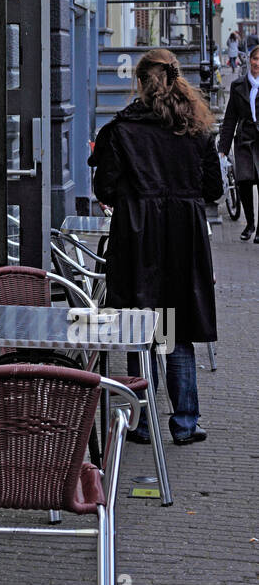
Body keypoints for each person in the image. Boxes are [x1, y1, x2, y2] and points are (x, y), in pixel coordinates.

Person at [89, 48, 222, 445]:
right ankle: (185, 421)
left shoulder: (122, 130)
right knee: (175, 328)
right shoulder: (196, 130)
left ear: (140, 82)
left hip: (138, 236)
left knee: (140, 325)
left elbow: (105, 188)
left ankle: (141, 421)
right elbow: (212, 188)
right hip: (183, 238)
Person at [218, 43, 259, 242]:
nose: (257, 63)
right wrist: (223, 150)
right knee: (243, 182)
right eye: (255, 59)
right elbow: (230, 118)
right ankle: (250, 223)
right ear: (249, 61)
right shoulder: (238, 86)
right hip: (244, 139)